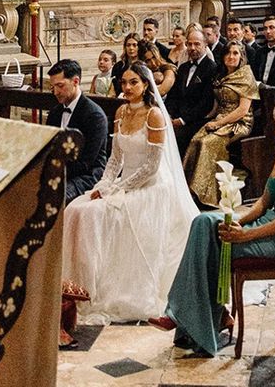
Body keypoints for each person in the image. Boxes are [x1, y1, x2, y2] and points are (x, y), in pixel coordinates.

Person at [153, 92, 275, 356]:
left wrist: (245, 236)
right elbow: (263, 202)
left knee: (212, 245)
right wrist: (236, 222)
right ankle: (202, 315)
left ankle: (197, 319)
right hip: (265, 223)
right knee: (203, 222)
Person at [62, 61, 198, 323]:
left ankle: (99, 289)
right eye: (124, 82)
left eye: (133, 82)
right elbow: (114, 160)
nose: (127, 87)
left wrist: (118, 189)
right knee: (75, 209)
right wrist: (103, 185)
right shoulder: (121, 112)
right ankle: (75, 289)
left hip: (151, 187)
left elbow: (151, 166)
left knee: (94, 216)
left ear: (145, 84)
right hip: (123, 182)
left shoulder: (154, 115)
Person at [182, 40, 258, 206]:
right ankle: (187, 189)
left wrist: (218, 124)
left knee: (208, 143)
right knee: (195, 140)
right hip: (220, 118)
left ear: (242, 56)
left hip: (239, 122)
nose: (231, 57)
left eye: (235, 53)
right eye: (228, 53)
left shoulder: (246, 76)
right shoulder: (220, 74)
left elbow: (243, 110)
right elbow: (217, 104)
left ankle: (207, 195)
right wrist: (208, 119)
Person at [46, 59, 108, 203]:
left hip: (87, 176)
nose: (55, 92)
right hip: (61, 171)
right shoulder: (55, 112)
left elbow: (86, 163)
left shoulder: (94, 115)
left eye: (60, 86)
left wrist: (54, 172)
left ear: (75, 81)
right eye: (53, 87)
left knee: (53, 197)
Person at [165, 25, 217, 153]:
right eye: (189, 44)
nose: (192, 48)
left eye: (197, 44)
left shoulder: (212, 68)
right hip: (177, 118)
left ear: (205, 45)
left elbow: (206, 104)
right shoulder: (183, 68)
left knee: (175, 140)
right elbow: (173, 96)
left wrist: (182, 121)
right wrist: (169, 115)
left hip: (197, 120)